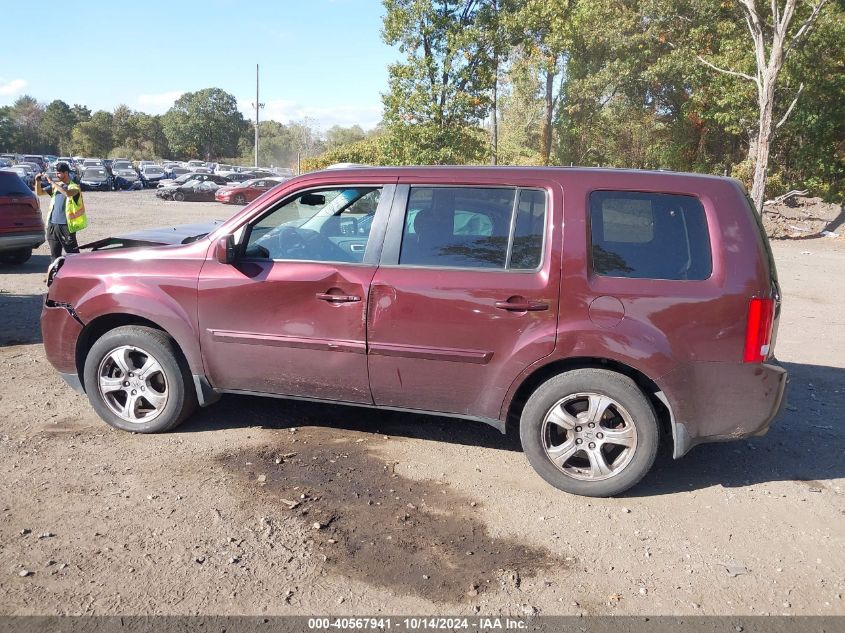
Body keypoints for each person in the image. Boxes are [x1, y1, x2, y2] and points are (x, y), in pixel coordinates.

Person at [35, 162, 87, 259]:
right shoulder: (56, 186)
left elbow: (67, 193)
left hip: (66, 226)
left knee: (73, 255)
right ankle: (56, 273)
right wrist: (37, 181)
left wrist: (52, 182)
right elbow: (39, 192)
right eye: (56, 172)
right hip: (53, 225)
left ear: (66, 173)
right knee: (55, 255)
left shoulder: (74, 187)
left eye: (59, 173)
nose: (56, 175)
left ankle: (77, 272)